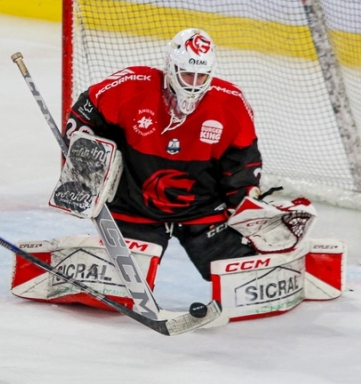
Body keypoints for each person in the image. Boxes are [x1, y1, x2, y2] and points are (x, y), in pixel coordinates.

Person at [64, 28, 261, 281]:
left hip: (204, 210)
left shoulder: (231, 103)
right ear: (170, 66)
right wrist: (84, 167)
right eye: (188, 74)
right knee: (120, 283)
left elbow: (242, 162)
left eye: (201, 77)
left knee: (242, 280)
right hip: (135, 207)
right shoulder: (130, 86)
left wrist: (245, 205)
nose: (193, 83)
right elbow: (86, 111)